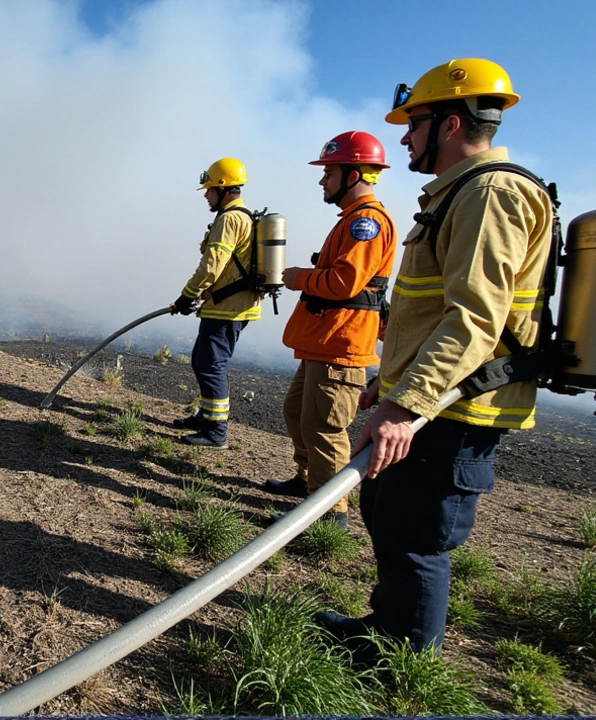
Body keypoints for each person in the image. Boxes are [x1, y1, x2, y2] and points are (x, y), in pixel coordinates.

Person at [318, 59, 552, 655]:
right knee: (390, 517)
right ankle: (388, 628)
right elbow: (432, 311)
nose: (402, 138)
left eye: (412, 124)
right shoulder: (463, 194)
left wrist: (406, 403)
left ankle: (399, 659)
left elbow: (474, 317)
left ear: (449, 124)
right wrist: (390, 385)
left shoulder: (490, 194)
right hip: (433, 400)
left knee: (415, 536)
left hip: (455, 405)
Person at [264, 132, 397, 529]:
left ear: (353, 174)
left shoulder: (367, 223)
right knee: (297, 414)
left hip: (341, 345)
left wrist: (299, 277)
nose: (322, 181)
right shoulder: (353, 221)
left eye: (329, 173)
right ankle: (309, 485)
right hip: (325, 341)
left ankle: (329, 514)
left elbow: (344, 283)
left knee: (325, 428)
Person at [169, 158, 263, 448]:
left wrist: (187, 295)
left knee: (211, 365)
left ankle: (216, 432)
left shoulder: (230, 218)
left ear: (224, 189)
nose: (206, 195)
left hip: (229, 308)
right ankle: (205, 416)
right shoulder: (236, 216)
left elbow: (213, 265)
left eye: (209, 190)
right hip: (225, 304)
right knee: (202, 360)